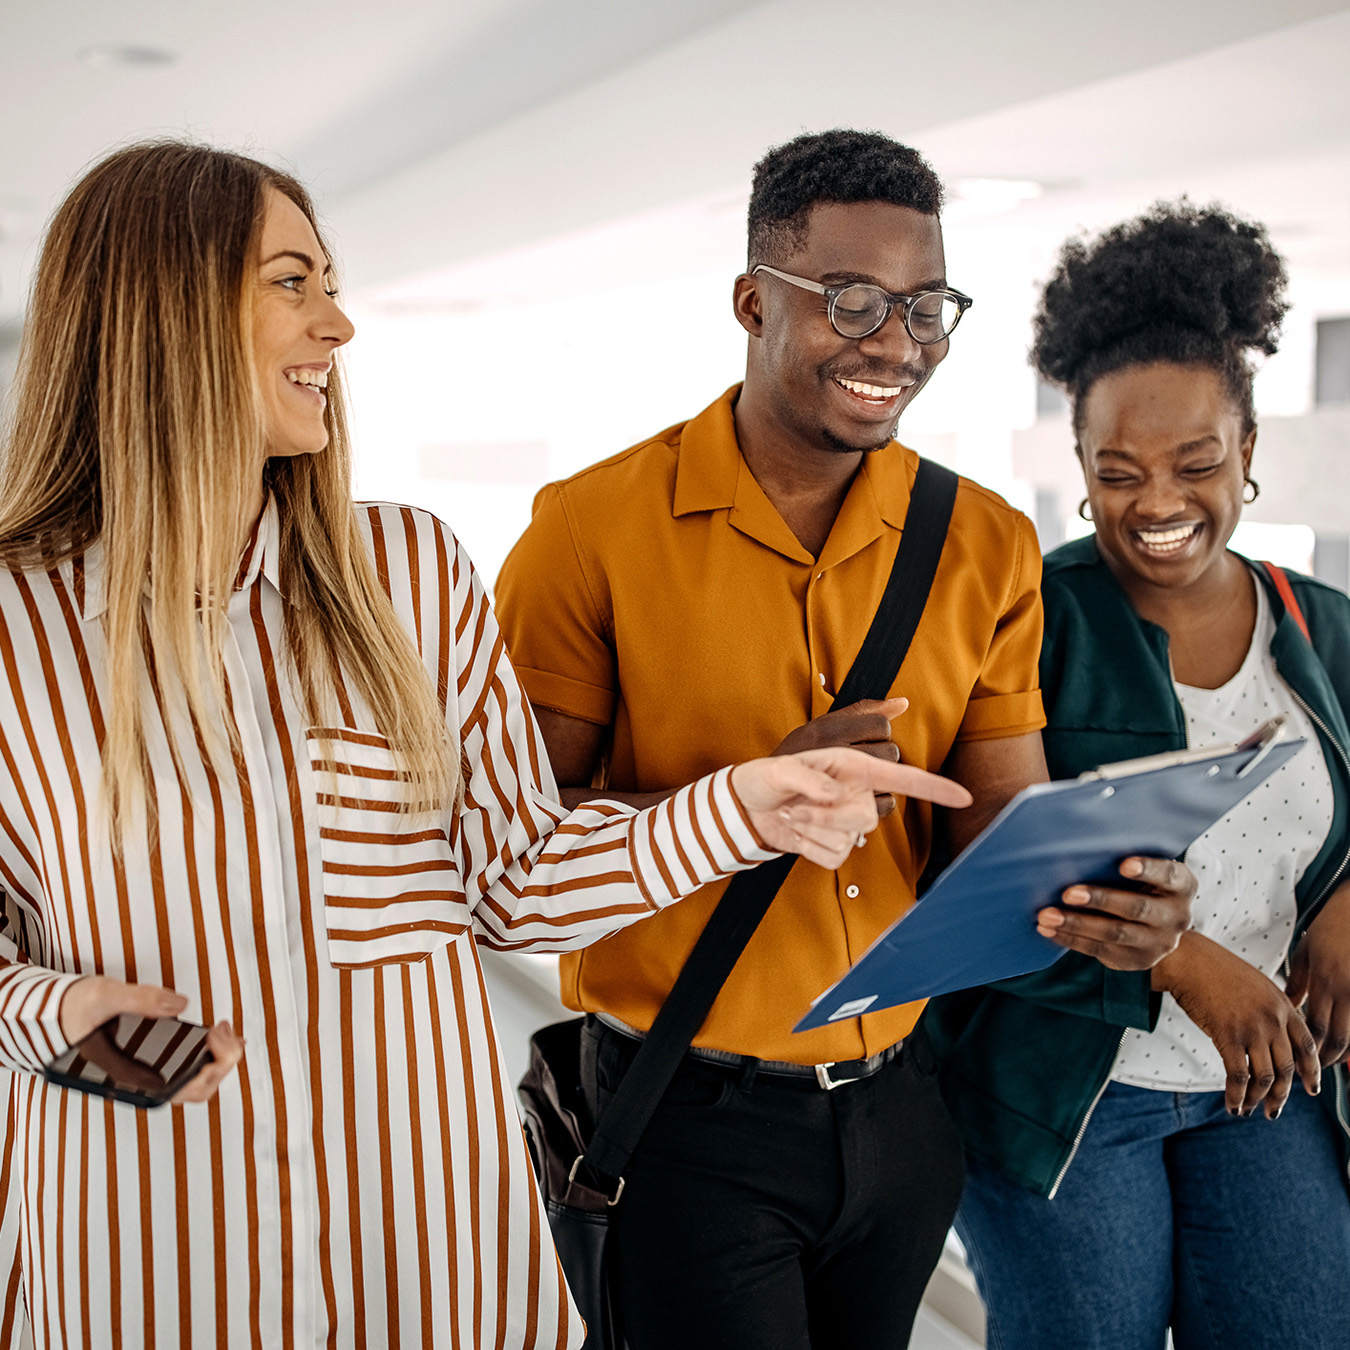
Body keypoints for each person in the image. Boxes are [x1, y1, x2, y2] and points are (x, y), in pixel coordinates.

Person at [0, 140, 965, 1349]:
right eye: (293, 283)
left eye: (331, 283)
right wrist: (56, 1009)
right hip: (160, 1250)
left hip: (435, 1245)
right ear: (165, 309)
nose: (339, 325)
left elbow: (514, 879)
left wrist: (750, 806)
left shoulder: (407, 571)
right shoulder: (12, 629)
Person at [492, 129, 1196, 1350]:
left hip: (903, 1114)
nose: (896, 344)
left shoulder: (983, 542)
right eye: (855, 300)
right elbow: (522, 864)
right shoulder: (589, 530)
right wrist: (748, 793)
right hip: (682, 1112)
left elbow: (997, 846)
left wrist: (1110, 901)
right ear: (753, 302)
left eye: (927, 308)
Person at [926, 201, 1350, 1349]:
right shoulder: (1028, 618)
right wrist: (1181, 960)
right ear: (1077, 466)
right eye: (1117, 472)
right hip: (1070, 1094)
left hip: (1264, 1083)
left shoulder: (1323, 624)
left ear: (1250, 452)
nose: (1158, 504)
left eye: (1197, 462)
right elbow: (983, 874)